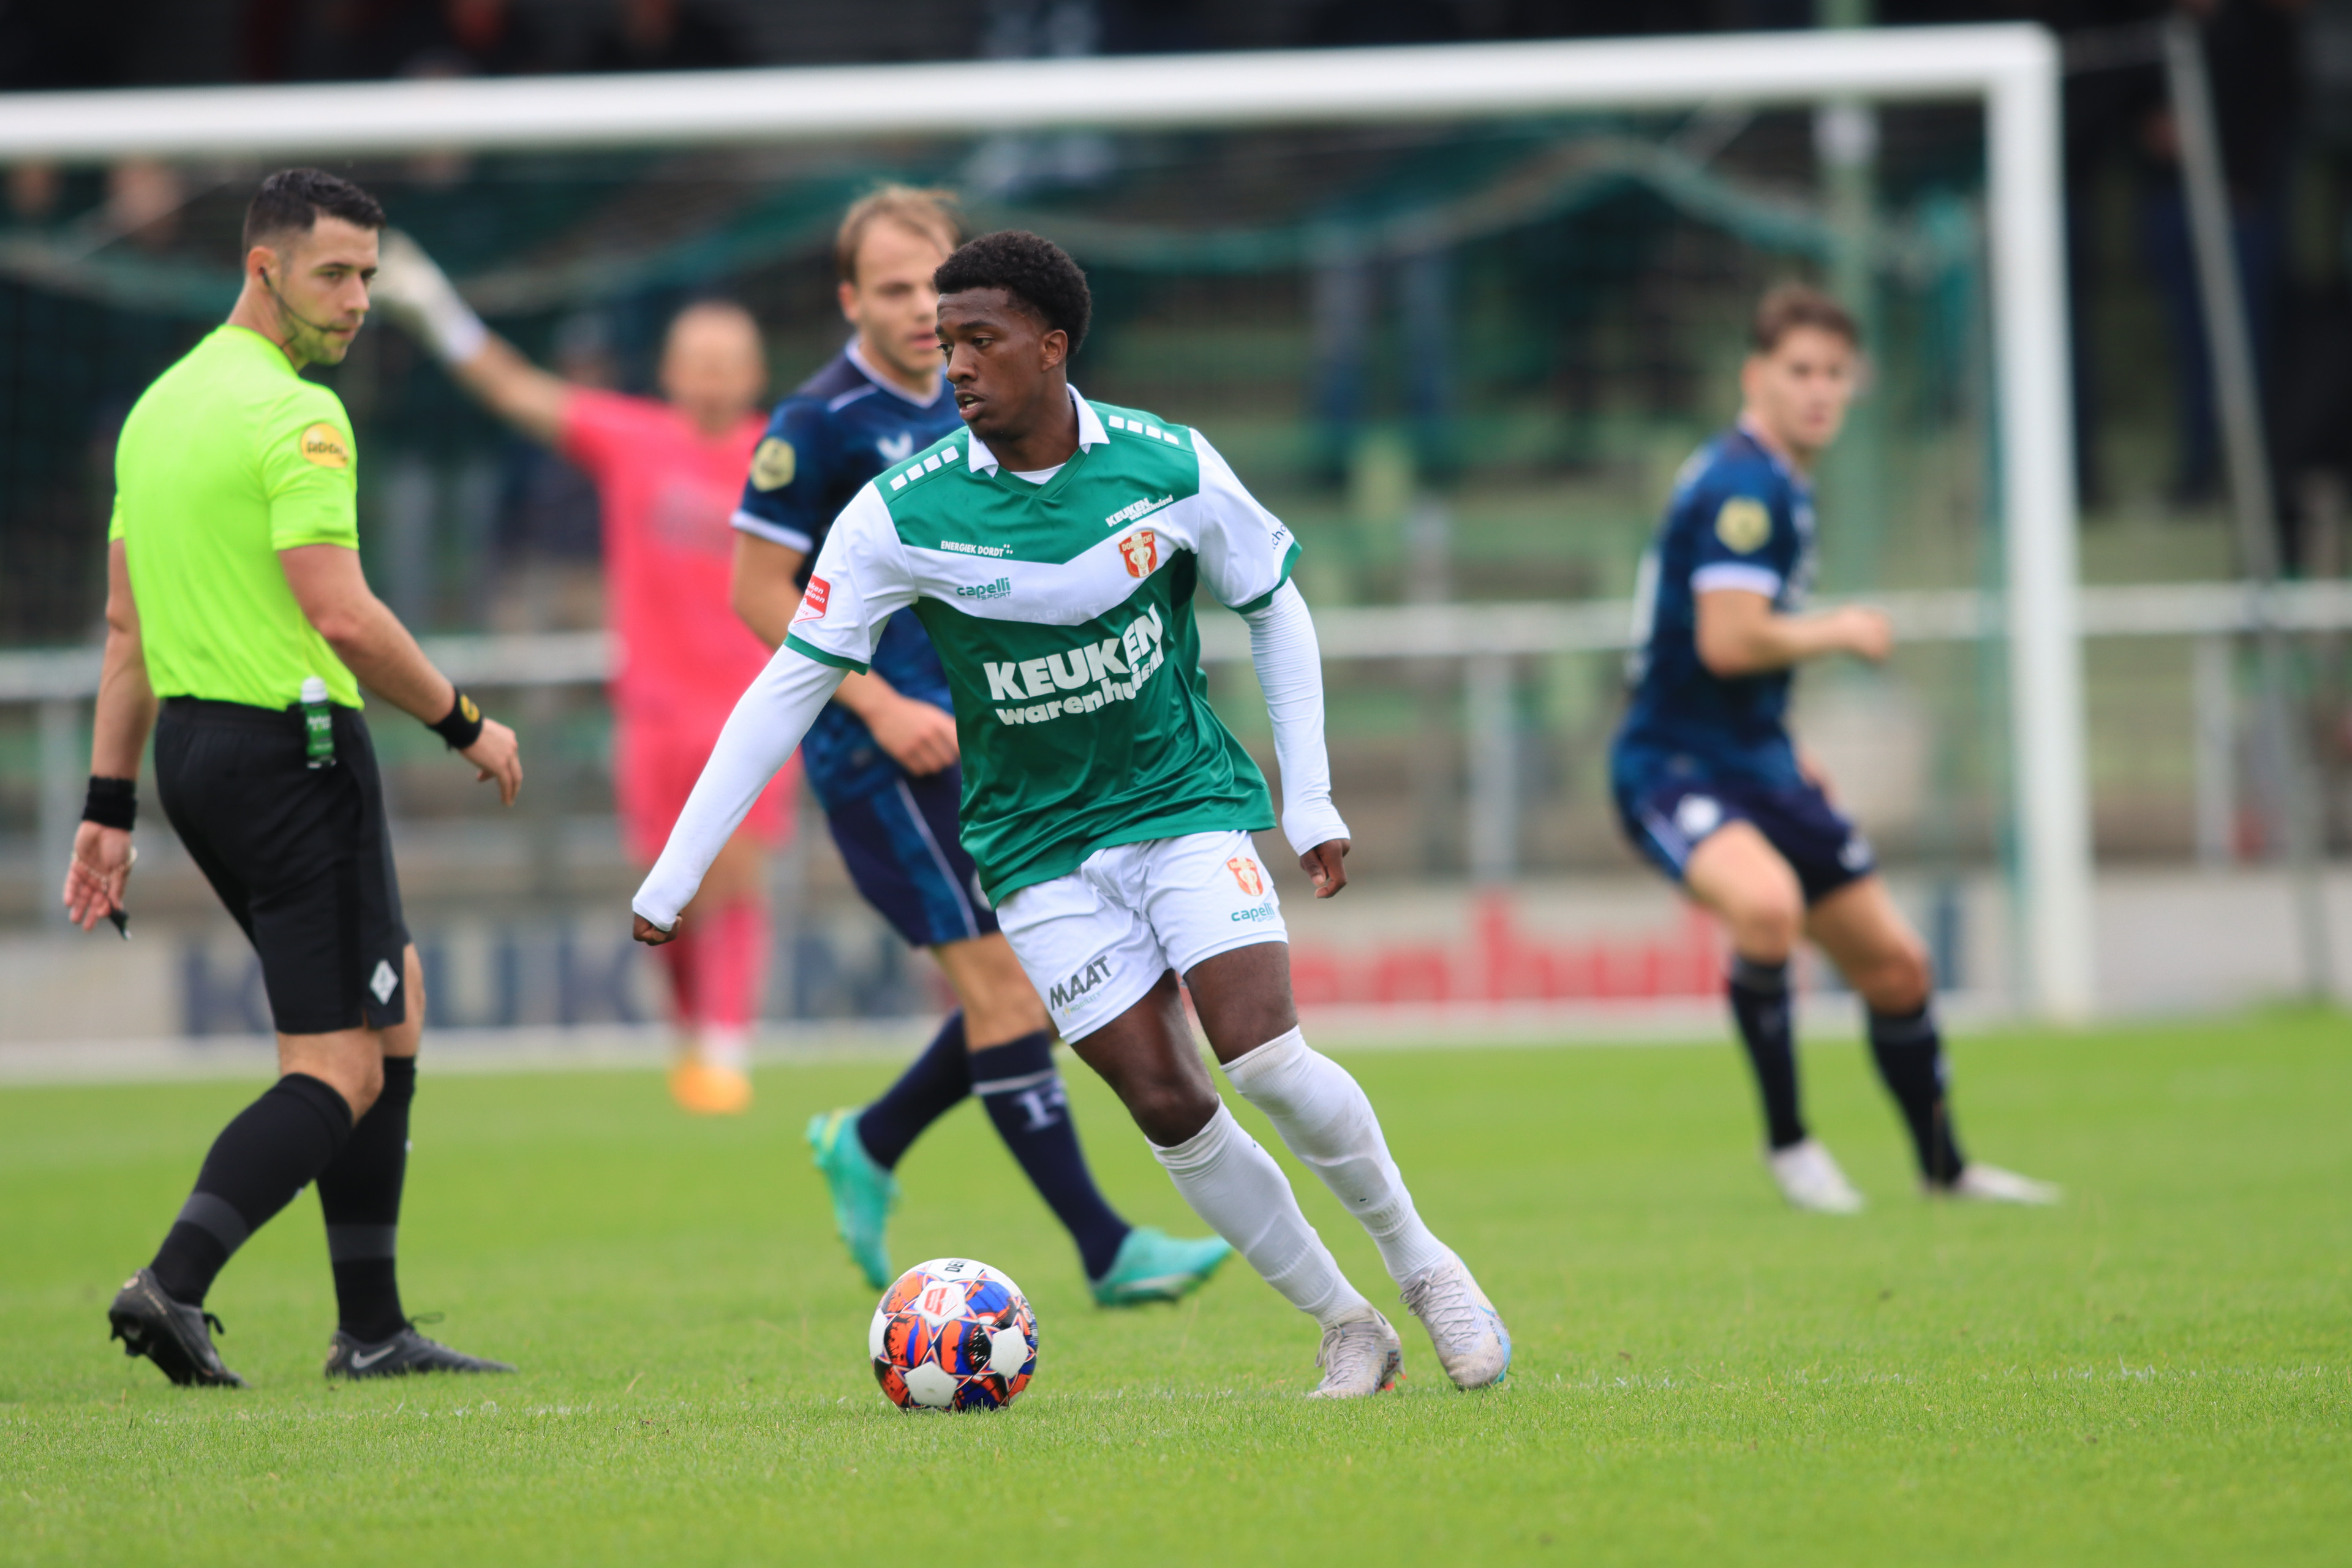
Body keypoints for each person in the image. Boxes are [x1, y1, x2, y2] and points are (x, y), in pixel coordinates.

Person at [635, 230, 1511, 1397]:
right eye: (944, 343)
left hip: (1181, 801)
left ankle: (1426, 1266)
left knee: (1265, 1056)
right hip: (1036, 851)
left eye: (979, 341)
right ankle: (1346, 1323)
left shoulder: (1169, 464)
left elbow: (1276, 605)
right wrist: (675, 875)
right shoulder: (899, 512)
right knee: (1167, 1103)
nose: (953, 366)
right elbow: (787, 684)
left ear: (1053, 349)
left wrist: (1310, 798)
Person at [728, 188, 1230, 1307]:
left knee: (1056, 985)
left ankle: (874, 1138)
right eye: (895, 291)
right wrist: (874, 706)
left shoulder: (978, 413)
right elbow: (756, 594)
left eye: (934, 289)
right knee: (1014, 994)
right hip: (886, 758)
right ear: (851, 298)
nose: (920, 313)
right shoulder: (817, 428)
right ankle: (1106, 1247)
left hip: (992, 750)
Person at [69, 168, 522, 1385]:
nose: (359, 298)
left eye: (371, 275)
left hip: (194, 757)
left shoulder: (161, 408)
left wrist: (106, 806)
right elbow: (345, 615)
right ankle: (173, 1281)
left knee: (396, 1000)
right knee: (340, 1065)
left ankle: (371, 1326)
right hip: (295, 750)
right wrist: (465, 720)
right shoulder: (300, 417)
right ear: (261, 268)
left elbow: (125, 630)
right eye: (335, 273)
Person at [1610, 283, 2060, 1215]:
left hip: (1759, 761)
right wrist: (1842, 629)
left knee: (1897, 968)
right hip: (1673, 764)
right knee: (1766, 908)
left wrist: (1787, 739)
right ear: (1756, 377)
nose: (1820, 390)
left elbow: (1738, 665)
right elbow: (1728, 641)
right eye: (1800, 371)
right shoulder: (1747, 487)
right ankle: (1793, 1147)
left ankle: (1946, 1168)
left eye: (1835, 374)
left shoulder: (1773, 479)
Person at [371, 239, 791, 1115]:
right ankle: (693, 1038)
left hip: (756, 709)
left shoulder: (787, 457)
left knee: (738, 871)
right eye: (697, 360)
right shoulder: (633, 439)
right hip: (653, 711)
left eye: (729, 361)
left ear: (754, 372)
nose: (713, 375)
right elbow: (516, 389)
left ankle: (726, 1043)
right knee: (666, 888)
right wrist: (436, 306)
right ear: (671, 371)